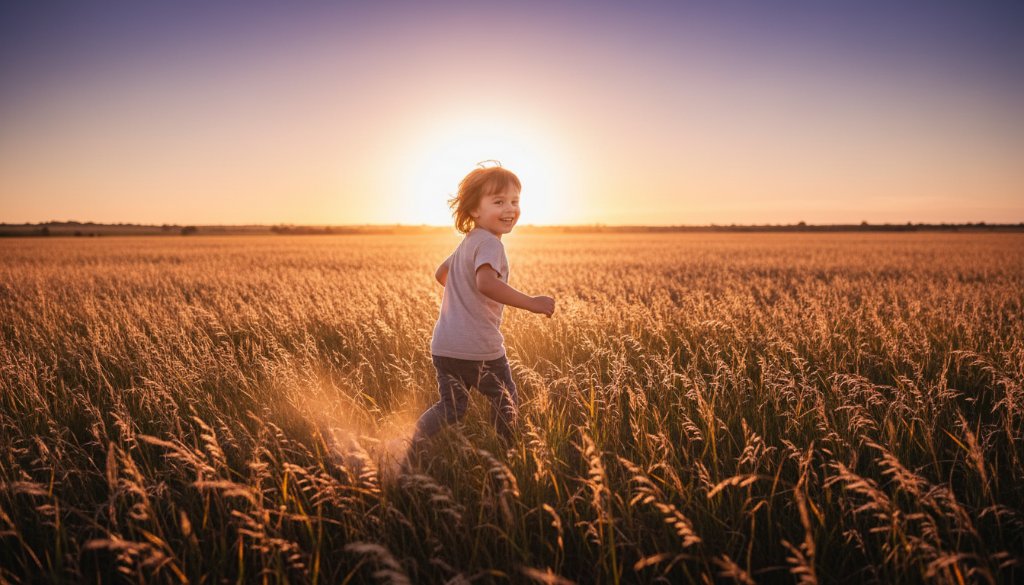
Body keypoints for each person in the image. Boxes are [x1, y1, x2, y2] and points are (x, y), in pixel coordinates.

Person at [411, 162, 555, 447]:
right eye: (499, 201)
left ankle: (412, 440)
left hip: (445, 346)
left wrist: (462, 294)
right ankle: (506, 452)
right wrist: (531, 303)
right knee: (505, 400)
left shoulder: (468, 242)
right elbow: (486, 283)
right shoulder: (491, 244)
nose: (510, 209)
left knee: (451, 407)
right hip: (480, 349)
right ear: (475, 210)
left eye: (515, 201)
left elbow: (442, 274)